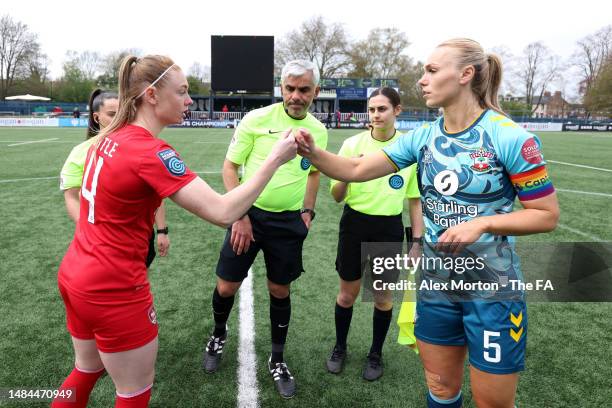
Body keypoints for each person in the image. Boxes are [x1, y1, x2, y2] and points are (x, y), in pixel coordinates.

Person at [296, 38, 559, 408]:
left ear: (465, 75)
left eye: (432, 70)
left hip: (493, 293)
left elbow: (546, 215)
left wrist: (482, 224)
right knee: (441, 392)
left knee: (493, 404)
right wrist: (311, 150)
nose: (422, 79)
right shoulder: (423, 137)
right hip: (435, 289)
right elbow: (355, 169)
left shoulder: (512, 137)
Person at [52, 55, 297, 408]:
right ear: (152, 95)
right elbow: (223, 210)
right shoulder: (148, 151)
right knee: (132, 395)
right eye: (182, 92)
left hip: (76, 274)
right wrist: (274, 158)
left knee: (86, 371)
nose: (190, 101)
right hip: (113, 286)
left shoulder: (109, 137)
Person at [201, 59, 327, 399]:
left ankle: (278, 358)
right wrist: (239, 215)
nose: (296, 96)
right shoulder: (256, 119)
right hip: (249, 215)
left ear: (315, 92)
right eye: (290, 88)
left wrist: (307, 210)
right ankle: (217, 335)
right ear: (281, 89)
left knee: (279, 290)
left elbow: (315, 171)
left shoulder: (319, 129)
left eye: (304, 89)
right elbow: (230, 168)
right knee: (226, 286)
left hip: (288, 222)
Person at [325, 87, 424, 381]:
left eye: (382, 109)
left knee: (382, 297)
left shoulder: (408, 149)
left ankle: (375, 354)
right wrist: (348, 172)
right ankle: (340, 347)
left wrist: (416, 241)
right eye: (372, 110)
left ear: (397, 110)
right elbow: (336, 196)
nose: (376, 115)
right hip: (354, 224)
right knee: (347, 295)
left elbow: (414, 200)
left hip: (388, 229)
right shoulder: (352, 143)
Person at [60, 89, 170, 265]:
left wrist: (162, 230)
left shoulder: (140, 149)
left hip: (140, 237)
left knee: (135, 282)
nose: (120, 119)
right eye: (112, 114)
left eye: (124, 113)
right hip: (101, 241)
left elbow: (154, 195)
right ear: (97, 118)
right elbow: (72, 197)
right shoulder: (80, 153)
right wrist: (88, 230)